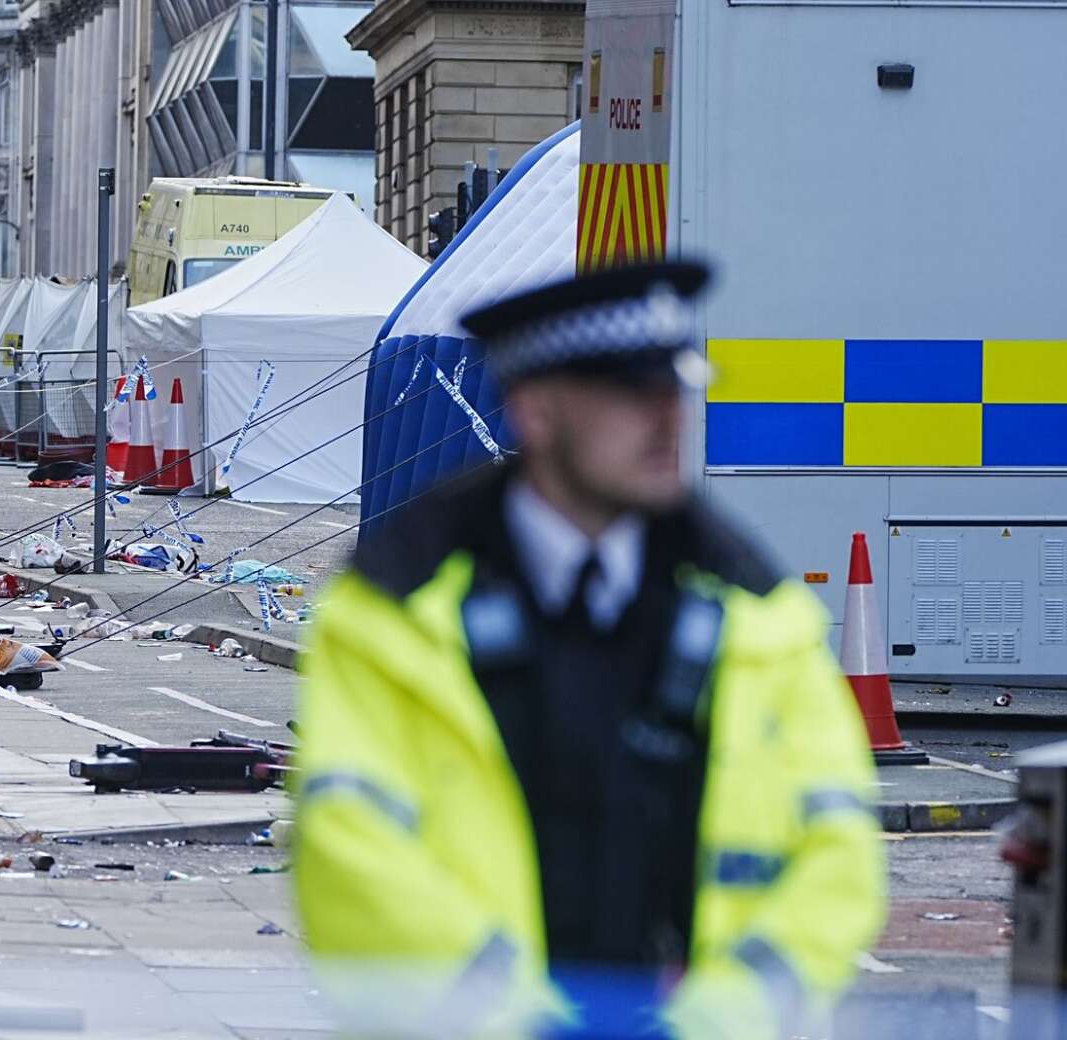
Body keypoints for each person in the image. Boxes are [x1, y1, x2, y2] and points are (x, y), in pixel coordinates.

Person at [292, 261, 884, 1038]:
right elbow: (348, 853)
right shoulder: (389, 615)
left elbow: (838, 851)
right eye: (632, 394)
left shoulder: (759, 616)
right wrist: (510, 1016)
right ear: (536, 413)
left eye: (676, 390)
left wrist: (729, 1013)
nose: (669, 418)